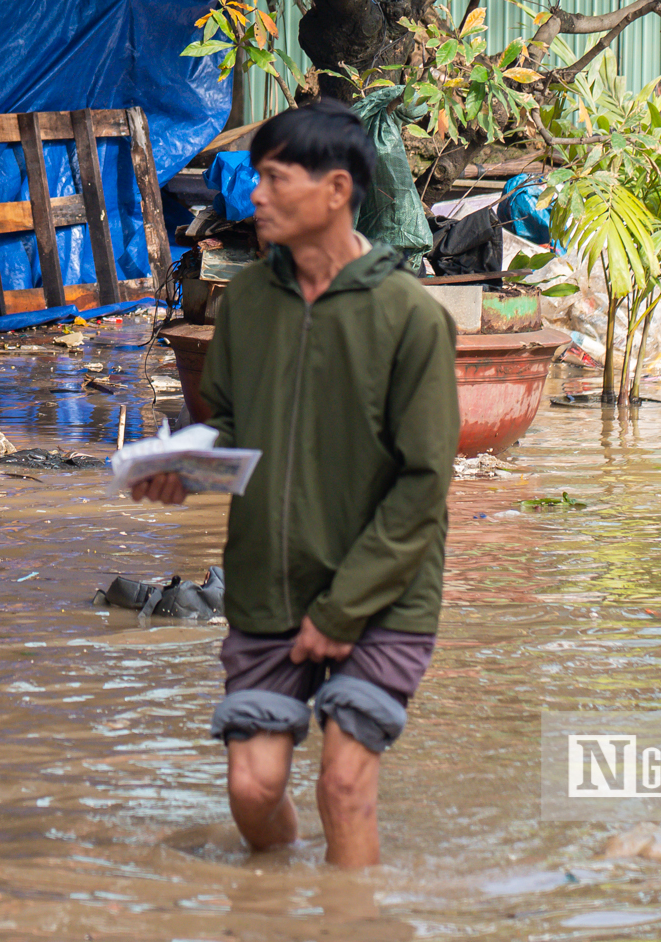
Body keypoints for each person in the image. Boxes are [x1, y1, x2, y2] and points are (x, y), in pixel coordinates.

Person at [131, 100, 458, 868]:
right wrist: (186, 468)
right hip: (271, 584)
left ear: (337, 189)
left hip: (384, 595)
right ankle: (279, 908)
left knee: (343, 786)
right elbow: (240, 436)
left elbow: (422, 485)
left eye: (276, 181)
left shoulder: (410, 316)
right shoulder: (243, 304)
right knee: (252, 788)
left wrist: (343, 612)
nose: (256, 197)